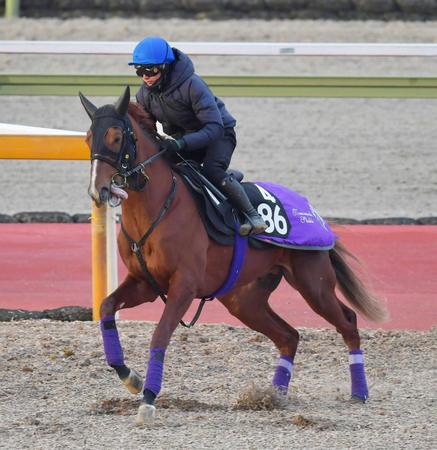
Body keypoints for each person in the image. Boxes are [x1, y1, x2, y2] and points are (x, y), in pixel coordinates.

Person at [129, 35, 267, 236]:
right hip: (185, 138)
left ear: (165, 67)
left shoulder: (193, 85)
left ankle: (252, 214)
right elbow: (147, 129)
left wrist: (181, 143)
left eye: (151, 69)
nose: (145, 76)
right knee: (165, 165)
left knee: (212, 169)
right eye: (139, 70)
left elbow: (214, 127)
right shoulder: (144, 95)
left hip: (219, 134)